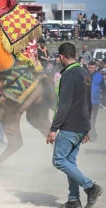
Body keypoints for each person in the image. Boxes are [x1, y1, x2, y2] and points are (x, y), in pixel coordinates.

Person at [46, 43, 103, 208]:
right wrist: (88, 128)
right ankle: (73, 200)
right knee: (70, 161)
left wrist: (53, 128)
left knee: (58, 160)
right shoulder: (85, 73)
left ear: (62, 57)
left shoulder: (69, 74)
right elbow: (89, 103)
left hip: (69, 126)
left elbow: (64, 104)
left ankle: (91, 187)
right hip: (81, 126)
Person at [87, 62, 106, 141]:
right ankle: (93, 135)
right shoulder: (84, 75)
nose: (90, 69)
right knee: (90, 118)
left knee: (93, 119)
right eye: (89, 67)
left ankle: (89, 134)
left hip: (96, 101)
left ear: (96, 68)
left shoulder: (100, 77)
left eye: (92, 68)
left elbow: (104, 89)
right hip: (87, 101)